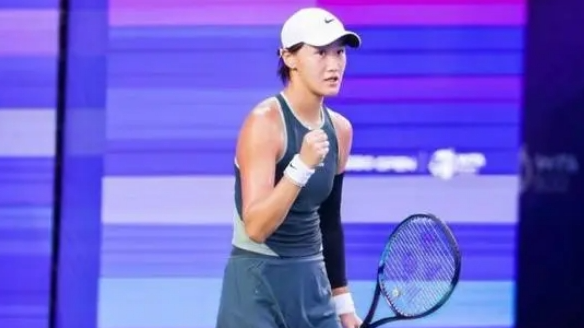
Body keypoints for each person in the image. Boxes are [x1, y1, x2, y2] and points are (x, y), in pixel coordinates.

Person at [215, 7, 362, 328]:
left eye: (339, 52)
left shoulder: (340, 130)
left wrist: (343, 303)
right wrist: (301, 166)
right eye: (321, 53)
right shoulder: (264, 122)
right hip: (256, 285)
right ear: (289, 58)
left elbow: (330, 221)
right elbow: (256, 227)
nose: (334, 64)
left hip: (312, 285)